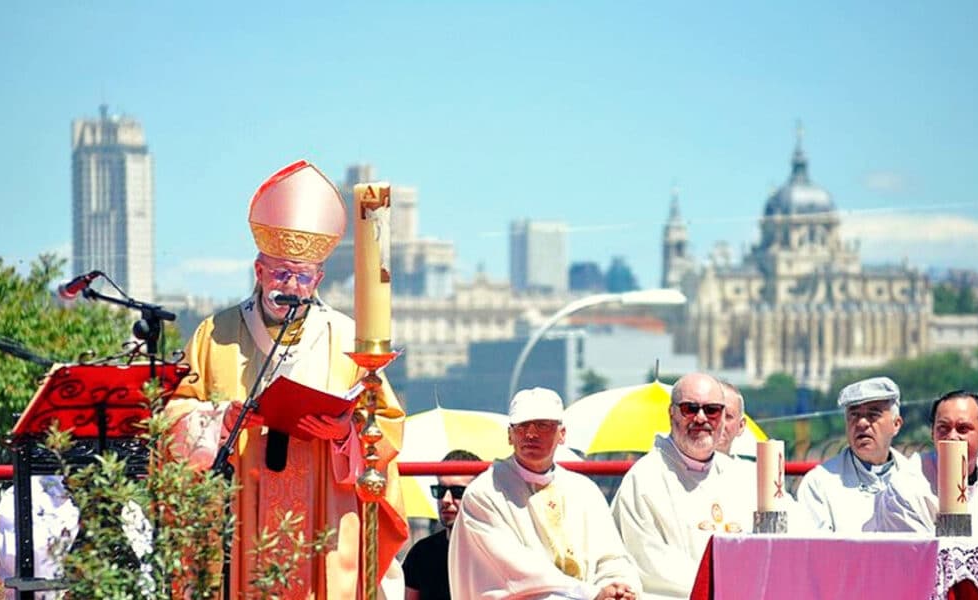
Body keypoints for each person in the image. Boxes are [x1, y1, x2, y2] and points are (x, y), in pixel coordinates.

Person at [164, 159, 407, 599]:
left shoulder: (347, 337)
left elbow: (385, 426)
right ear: (259, 271)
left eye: (301, 276)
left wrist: (343, 435)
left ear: (318, 278)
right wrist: (221, 420)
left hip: (323, 520)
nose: (290, 287)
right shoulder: (214, 334)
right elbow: (174, 413)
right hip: (240, 515)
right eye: (280, 273)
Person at [449, 387, 641, 600]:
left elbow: (611, 557)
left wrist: (618, 587)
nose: (531, 434)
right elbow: (518, 578)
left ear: (562, 434)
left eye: (543, 425)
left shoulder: (584, 490)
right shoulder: (484, 494)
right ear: (510, 435)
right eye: (522, 426)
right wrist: (592, 594)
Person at [611, 373, 756, 600]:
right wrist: (724, 587)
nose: (701, 418)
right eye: (690, 408)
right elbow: (649, 563)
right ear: (672, 413)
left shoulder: (742, 478)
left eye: (712, 410)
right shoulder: (644, 479)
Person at [874, 390, 978, 536]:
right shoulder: (906, 487)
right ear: (933, 433)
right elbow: (920, 553)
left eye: (963, 429)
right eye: (943, 428)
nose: (952, 436)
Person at [797, 376, 922, 533]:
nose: (862, 423)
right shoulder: (819, 483)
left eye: (873, 414)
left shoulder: (916, 478)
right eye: (854, 415)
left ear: (896, 425)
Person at [404, 449, 481, 600]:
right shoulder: (422, 553)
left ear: (478, 494)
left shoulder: (494, 550)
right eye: (440, 490)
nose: (446, 499)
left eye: (458, 491)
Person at [715, 380, 747, 457]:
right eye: (713, 413)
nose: (720, 423)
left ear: (741, 426)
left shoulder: (751, 468)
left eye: (728, 416)